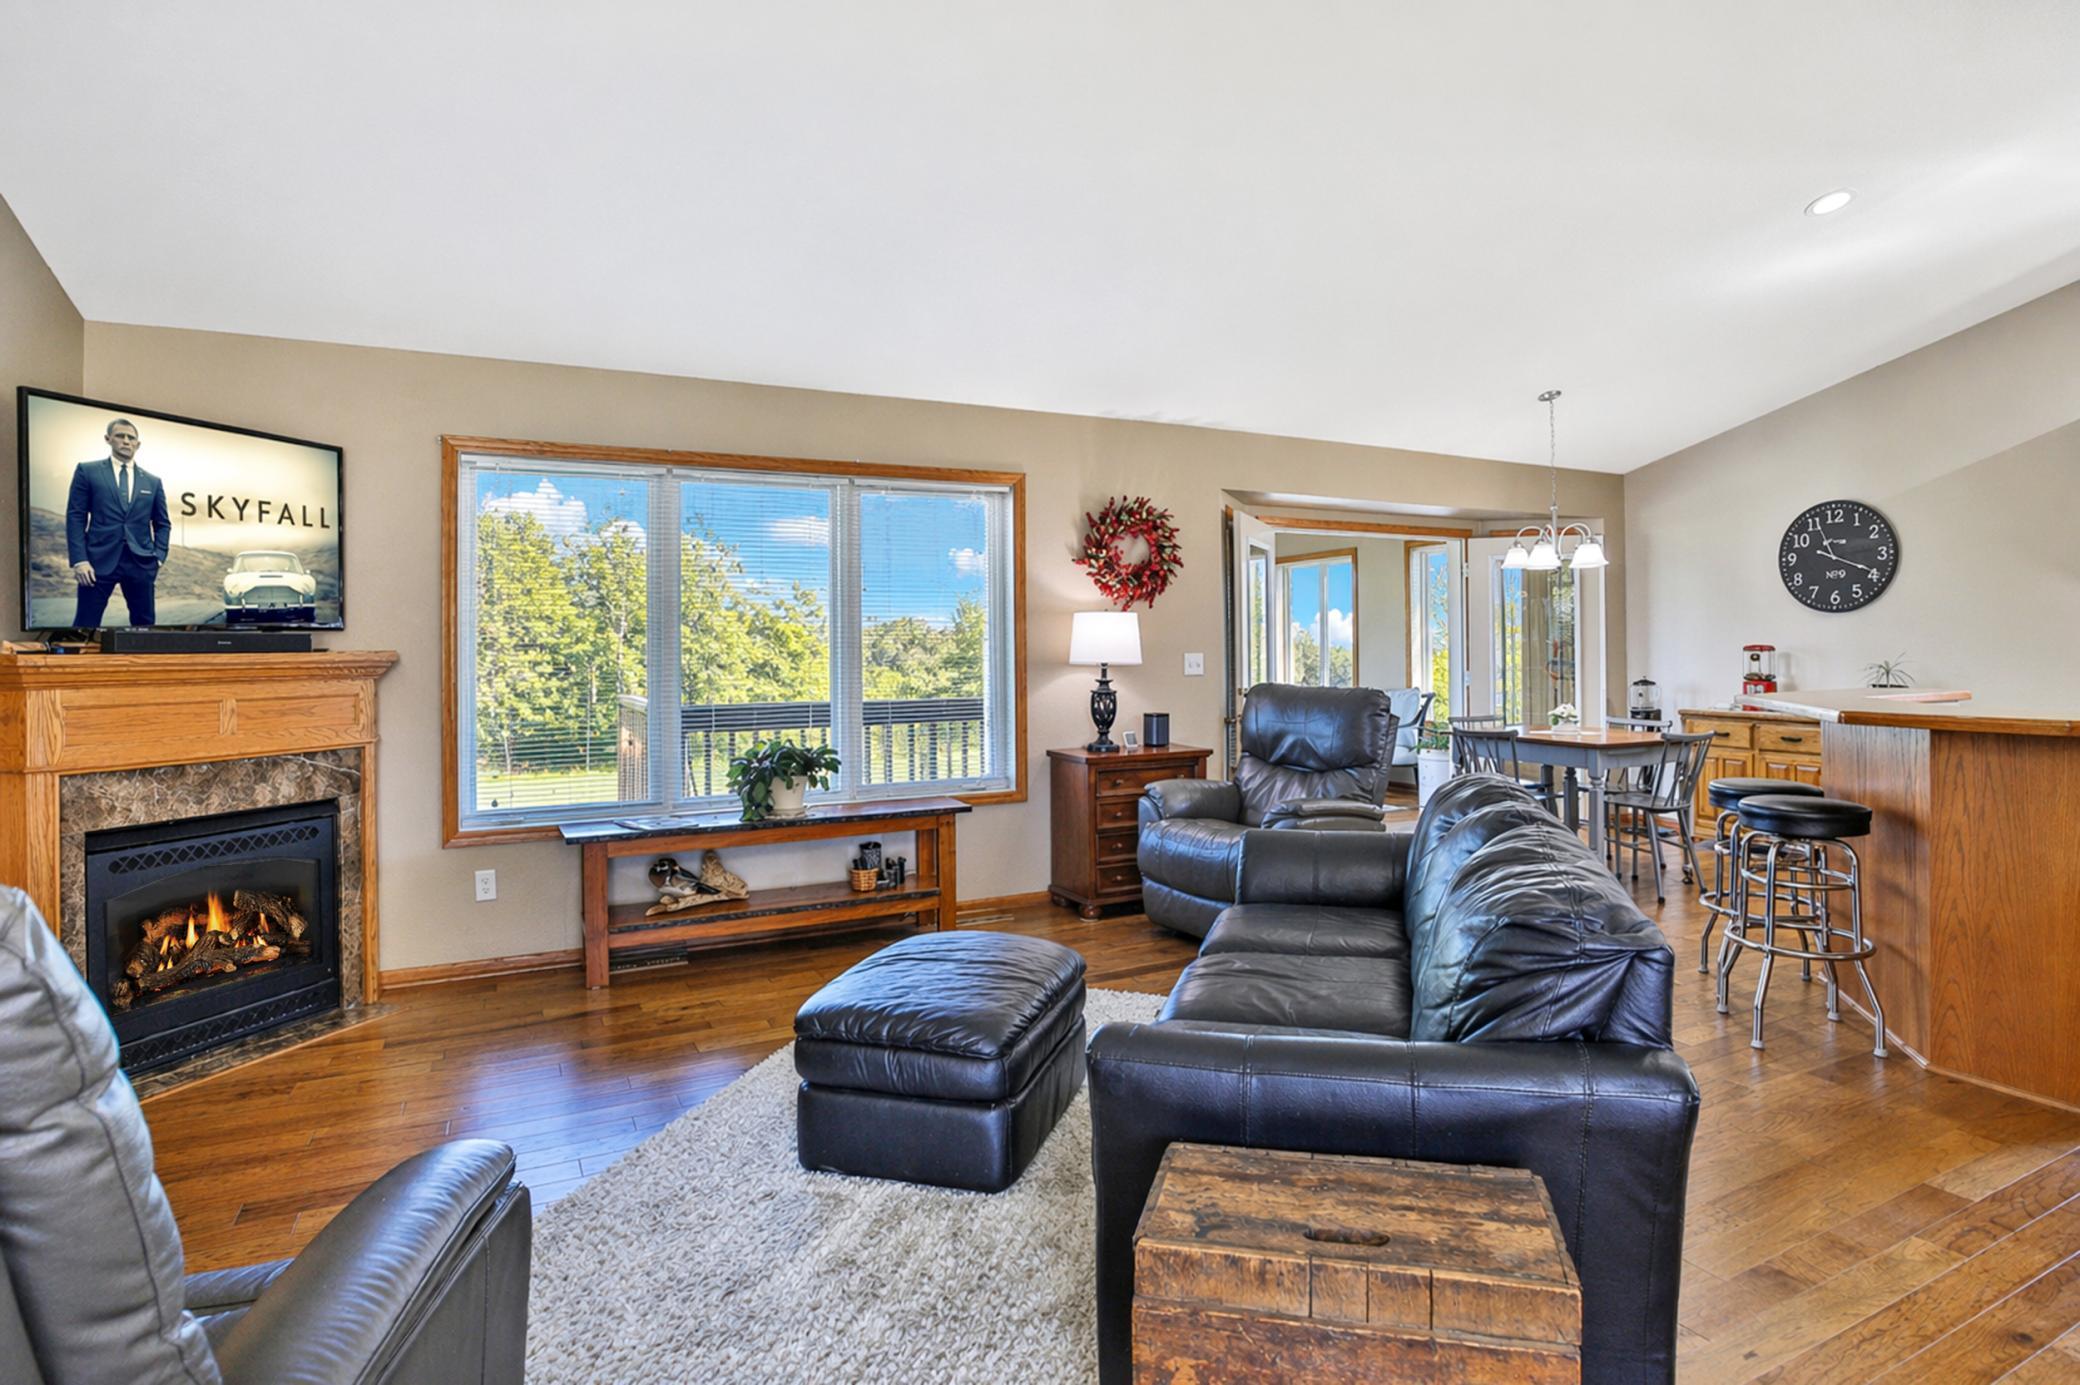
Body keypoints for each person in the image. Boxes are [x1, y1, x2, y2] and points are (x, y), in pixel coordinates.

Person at [65, 417, 171, 627]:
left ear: (137, 444)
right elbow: (75, 517)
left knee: (144, 628)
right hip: (96, 563)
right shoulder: (88, 471)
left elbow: (162, 523)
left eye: (131, 438)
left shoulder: (152, 481)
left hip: (141, 563)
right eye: (120, 436)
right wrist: (80, 560)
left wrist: (157, 557)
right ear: (108, 439)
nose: (126, 441)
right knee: (84, 626)